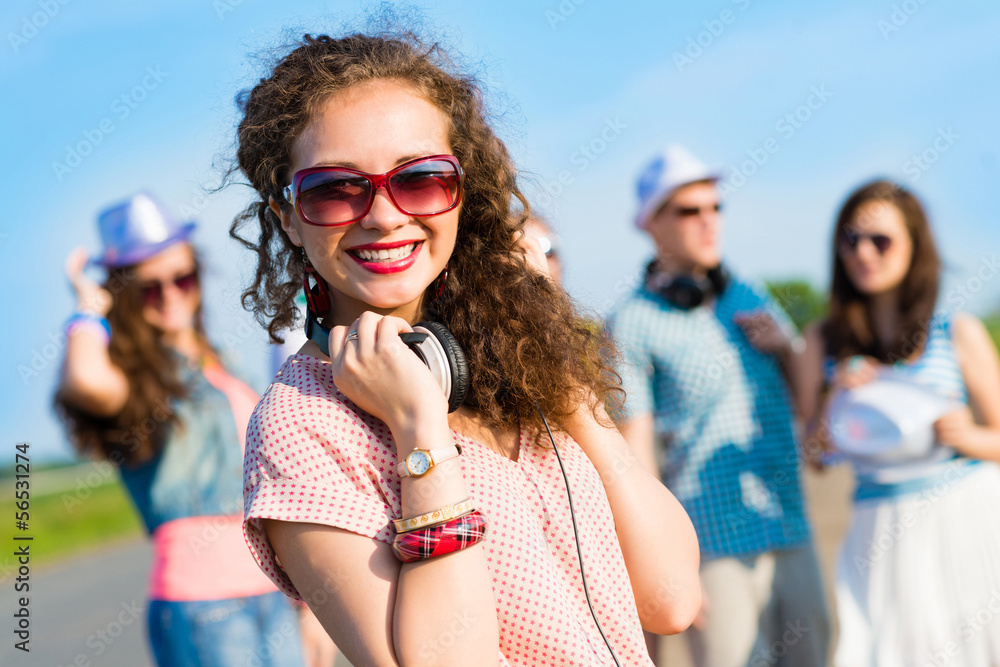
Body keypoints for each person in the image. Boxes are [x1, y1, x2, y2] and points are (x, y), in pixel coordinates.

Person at [230, 30, 701, 666]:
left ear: (460, 191)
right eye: (336, 189)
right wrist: (418, 433)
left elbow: (671, 601)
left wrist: (571, 396)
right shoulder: (302, 428)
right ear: (287, 214)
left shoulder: (508, 348)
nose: (385, 215)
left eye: (419, 179)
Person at [54, 193, 332, 667]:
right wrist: (86, 310)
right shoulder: (137, 379)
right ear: (124, 294)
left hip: (273, 593)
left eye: (181, 278)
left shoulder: (224, 369)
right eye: (149, 287)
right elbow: (83, 380)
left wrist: (305, 602)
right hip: (203, 605)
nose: (170, 295)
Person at [606, 145, 830, 667]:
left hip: (791, 527)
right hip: (714, 548)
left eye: (715, 208)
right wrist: (669, 569)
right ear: (651, 225)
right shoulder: (631, 323)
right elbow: (635, 461)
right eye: (689, 211)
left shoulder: (750, 294)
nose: (709, 222)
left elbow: (806, 406)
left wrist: (788, 350)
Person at [797, 180, 1000, 667]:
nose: (863, 253)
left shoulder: (958, 331)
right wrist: (836, 398)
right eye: (850, 239)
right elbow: (814, 456)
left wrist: (968, 436)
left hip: (966, 520)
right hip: (878, 529)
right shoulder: (821, 341)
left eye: (880, 240)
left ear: (915, 246)